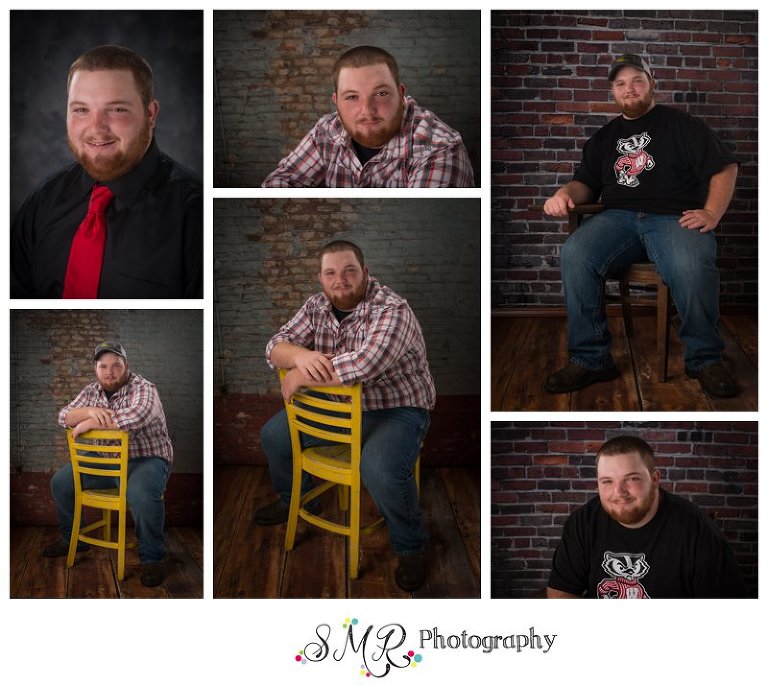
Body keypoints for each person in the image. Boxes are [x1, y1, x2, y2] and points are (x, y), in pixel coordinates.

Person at [543, 53, 740, 397]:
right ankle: (591, 359)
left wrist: (711, 212)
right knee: (576, 253)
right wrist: (563, 193)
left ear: (652, 85)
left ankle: (705, 360)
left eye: (637, 80)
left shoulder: (682, 125)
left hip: (674, 218)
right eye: (620, 84)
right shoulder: (604, 138)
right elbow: (584, 183)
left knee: (691, 263)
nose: (629, 88)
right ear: (613, 93)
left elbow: (725, 167)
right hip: (618, 219)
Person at [256, 240, 436, 592]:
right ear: (321, 279)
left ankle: (410, 546)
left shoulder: (392, 309)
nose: (341, 280)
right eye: (331, 273)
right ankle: (295, 498)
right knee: (273, 436)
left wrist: (301, 373)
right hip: (338, 405)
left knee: (379, 469)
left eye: (349, 270)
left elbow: (366, 363)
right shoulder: (316, 306)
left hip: (395, 408)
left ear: (365, 273)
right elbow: (274, 346)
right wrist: (299, 356)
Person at [12, 45, 202, 299]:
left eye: (117, 109)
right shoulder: (41, 202)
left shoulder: (196, 214)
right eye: (81, 109)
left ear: (150, 114)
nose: (96, 129)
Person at [546, 436, 746, 598]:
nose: (618, 492)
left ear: (655, 479)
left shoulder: (698, 531)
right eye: (607, 481)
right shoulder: (583, 523)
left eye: (632, 478)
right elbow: (561, 593)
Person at [43, 342, 173, 587]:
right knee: (61, 482)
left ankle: (154, 557)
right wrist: (90, 411)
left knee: (142, 495)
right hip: (106, 463)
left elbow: (138, 415)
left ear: (126, 367)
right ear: (96, 369)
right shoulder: (91, 391)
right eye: (103, 366)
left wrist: (88, 424)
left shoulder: (144, 388)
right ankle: (73, 539)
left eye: (116, 365)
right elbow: (63, 416)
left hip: (145, 459)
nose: (109, 371)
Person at [261, 45, 475, 188]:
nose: (367, 110)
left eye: (381, 94)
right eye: (352, 97)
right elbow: (279, 182)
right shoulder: (327, 130)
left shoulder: (439, 149)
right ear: (336, 102)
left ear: (401, 94)